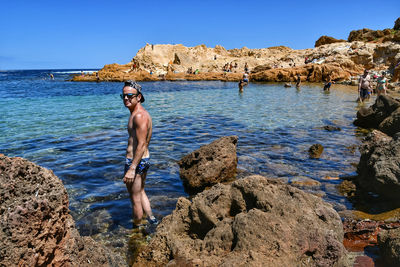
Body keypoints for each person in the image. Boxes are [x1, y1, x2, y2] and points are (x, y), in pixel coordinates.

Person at [121, 80, 157, 228]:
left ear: (139, 97)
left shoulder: (139, 116)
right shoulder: (137, 114)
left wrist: (132, 168)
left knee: (135, 198)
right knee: (141, 192)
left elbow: (141, 144)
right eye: (123, 96)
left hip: (136, 162)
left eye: (130, 95)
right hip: (142, 159)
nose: (126, 99)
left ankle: (137, 230)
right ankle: (152, 219)